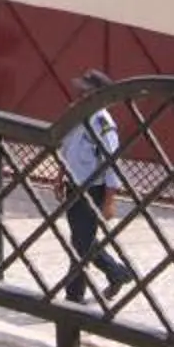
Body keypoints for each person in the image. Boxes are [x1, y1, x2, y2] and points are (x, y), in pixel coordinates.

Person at [55, 69, 133, 302]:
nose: (80, 94)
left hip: (92, 190)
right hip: (73, 185)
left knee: (80, 243)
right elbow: (68, 149)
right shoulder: (78, 116)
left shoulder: (103, 123)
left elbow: (112, 164)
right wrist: (60, 176)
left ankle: (75, 294)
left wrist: (109, 201)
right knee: (82, 240)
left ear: (98, 95)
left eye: (85, 92)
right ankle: (115, 274)